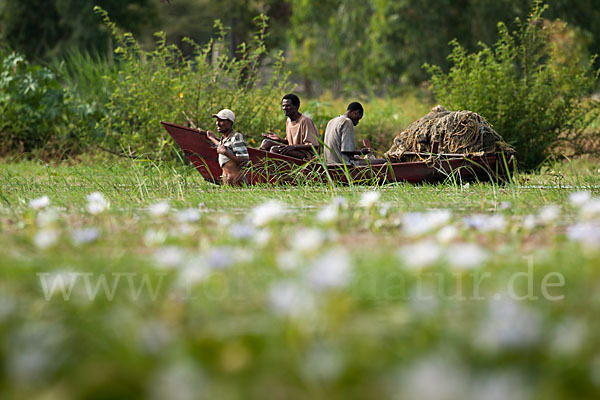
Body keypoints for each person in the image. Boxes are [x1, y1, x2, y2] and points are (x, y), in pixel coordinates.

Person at [259, 93, 320, 160]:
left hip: (306, 155)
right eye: (283, 106)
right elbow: (289, 142)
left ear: (296, 106)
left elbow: (314, 145)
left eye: (287, 106)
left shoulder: (305, 121)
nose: (284, 108)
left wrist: (294, 146)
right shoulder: (288, 120)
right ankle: (258, 163)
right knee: (266, 143)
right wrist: (279, 139)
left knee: (275, 149)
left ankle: (272, 168)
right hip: (293, 150)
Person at [201, 109, 249, 185]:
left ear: (230, 122)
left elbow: (244, 161)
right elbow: (221, 147)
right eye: (217, 120)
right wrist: (212, 138)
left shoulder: (237, 137)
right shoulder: (224, 139)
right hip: (227, 183)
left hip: (237, 182)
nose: (217, 123)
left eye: (221, 121)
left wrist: (226, 153)